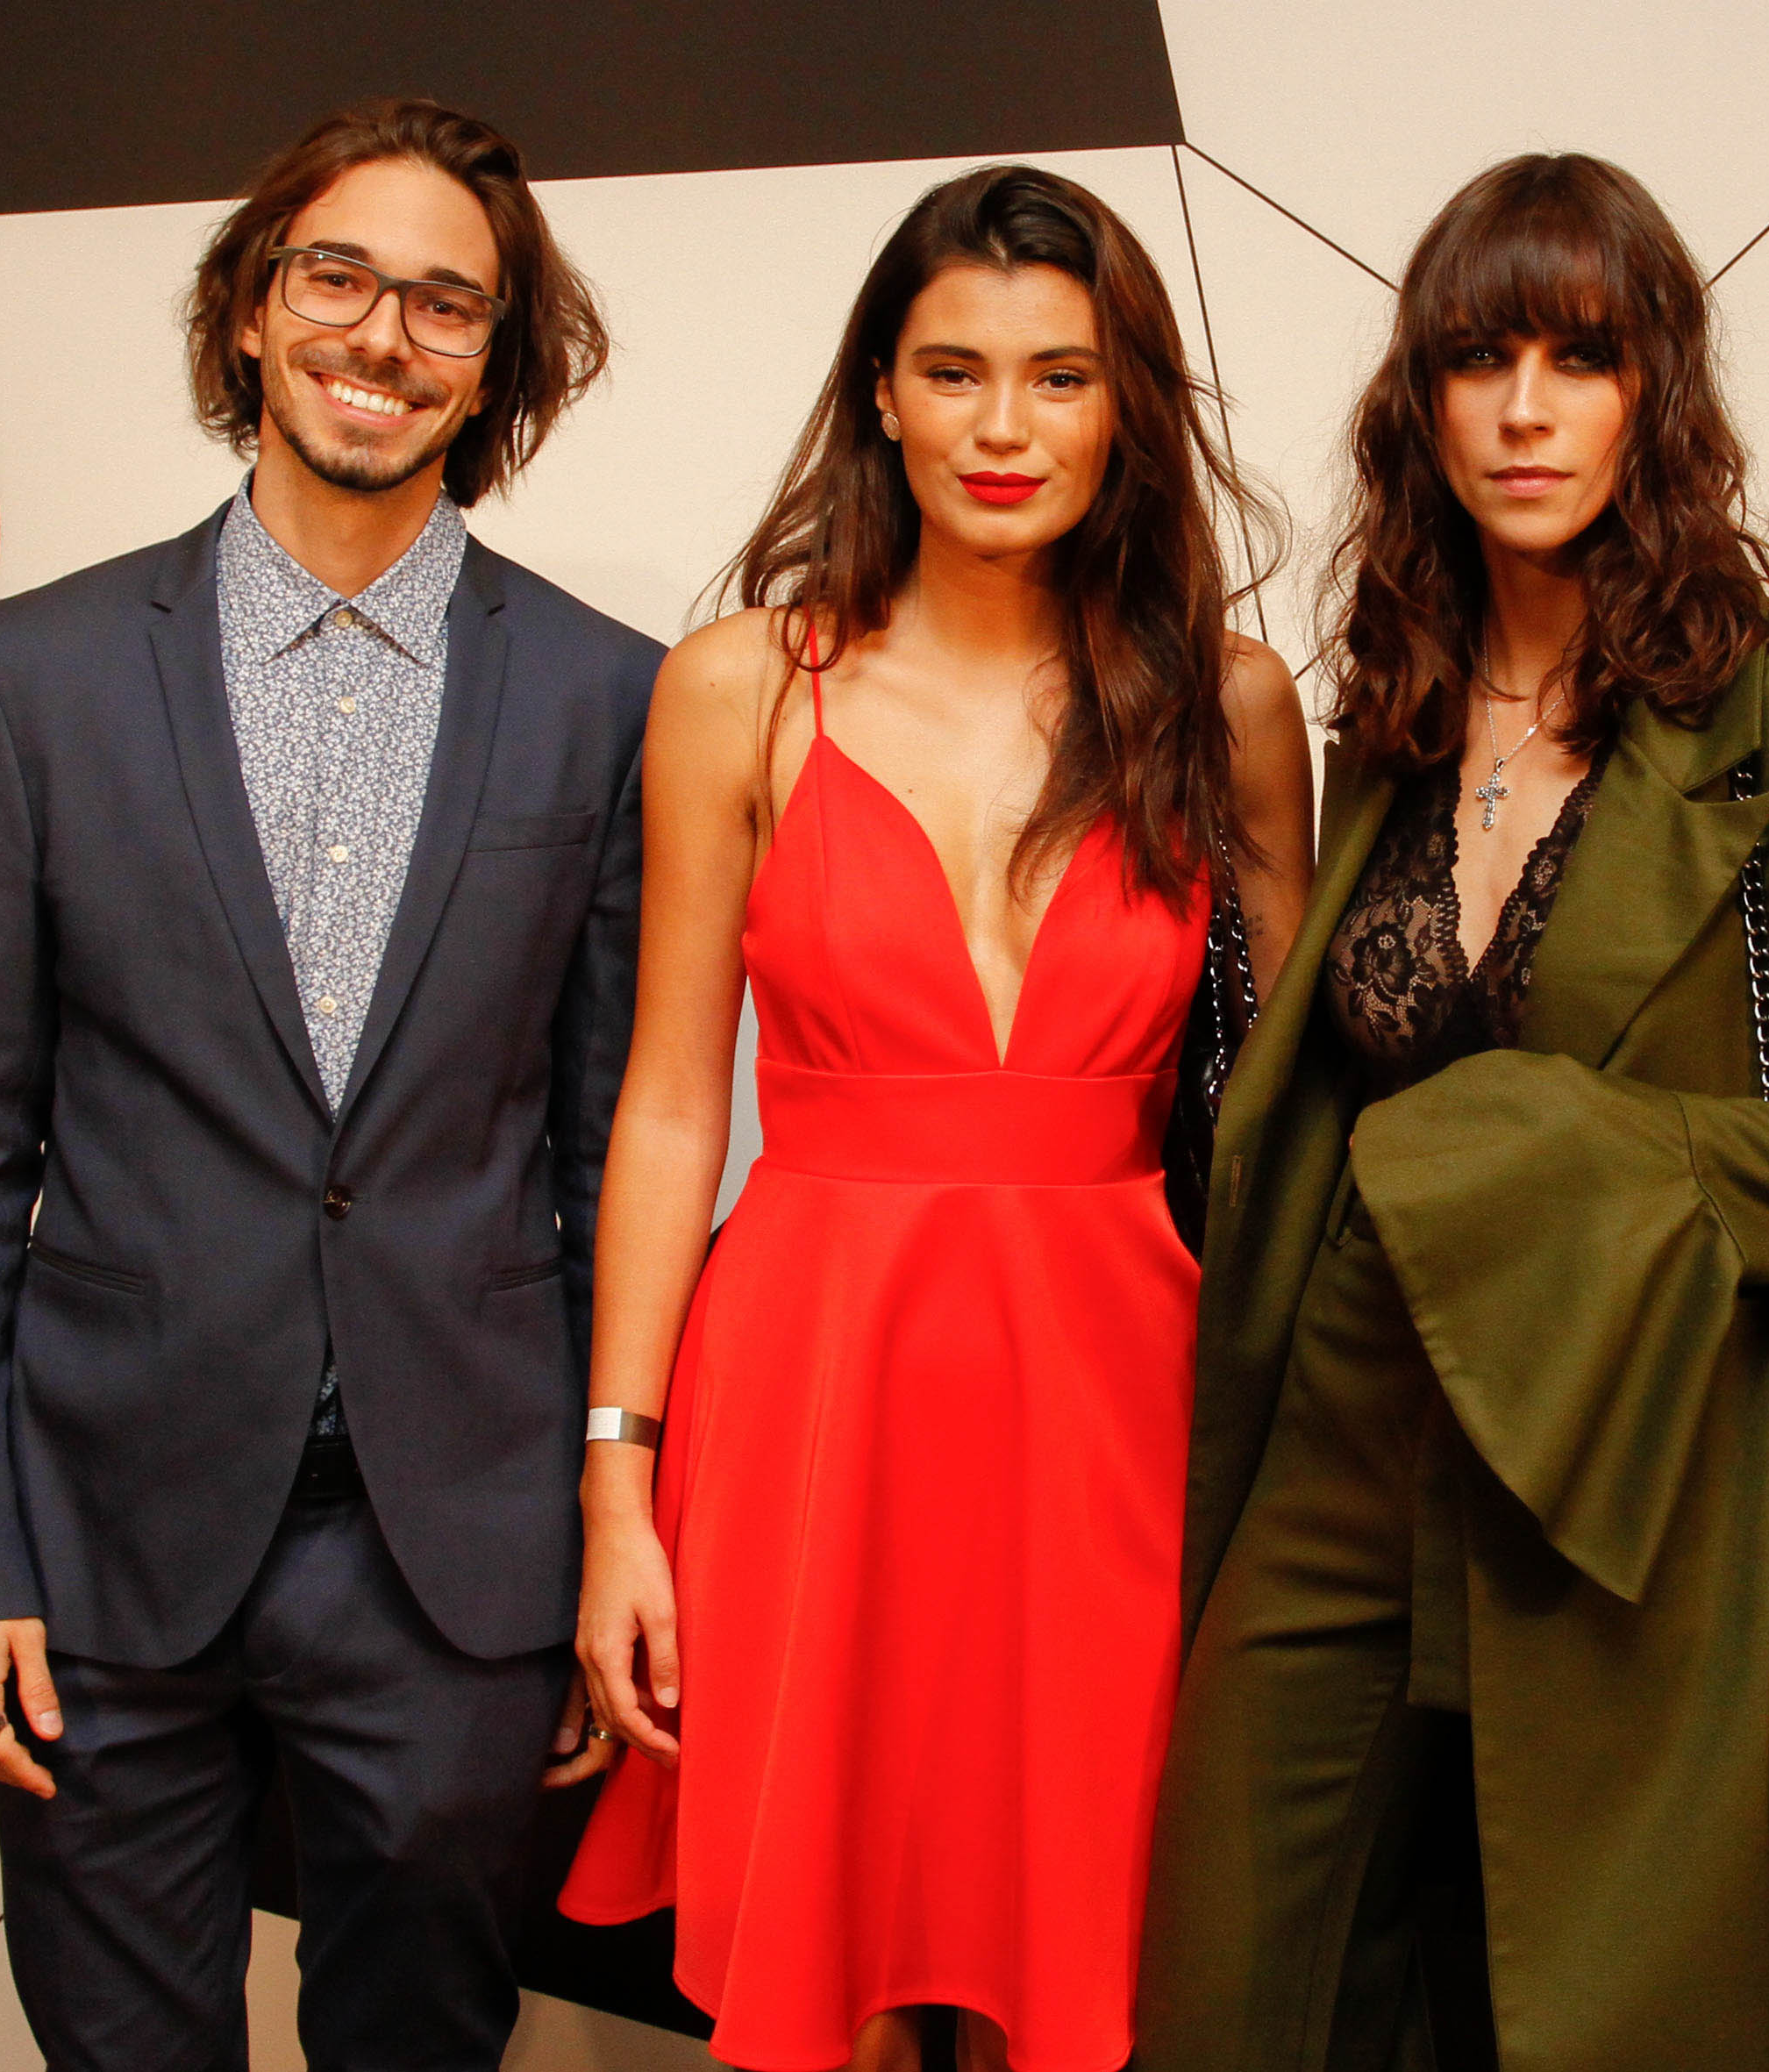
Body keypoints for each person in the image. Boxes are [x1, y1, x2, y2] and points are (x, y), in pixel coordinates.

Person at [1134, 154, 1769, 2072]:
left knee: (1592, 2015)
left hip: (1616, 1458)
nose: (1525, 411)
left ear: (1656, 394)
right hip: (1342, 1431)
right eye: (1479, 359)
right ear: (1422, 402)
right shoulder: (1391, 709)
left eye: (1581, 357)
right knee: (1227, 1990)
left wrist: (1599, 1150)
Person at [0, 97, 654, 2068]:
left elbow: (606, 1160)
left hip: (455, 1561)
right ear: (248, 306)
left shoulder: (606, 696)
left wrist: (600, 1535)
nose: (383, 335)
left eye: (447, 303)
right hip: (98, 1549)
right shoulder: (38, 674)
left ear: (496, 360)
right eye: (337, 276)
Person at [553, 164, 1313, 2072]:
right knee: (839, 1988)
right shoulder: (739, 686)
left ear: (1124, 405)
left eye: (1059, 377)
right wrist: (617, 1481)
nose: (1002, 426)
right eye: (954, 371)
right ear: (880, 395)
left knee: (1097, 1966)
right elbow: (670, 1106)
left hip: (1118, 1405)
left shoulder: (1226, 704)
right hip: (809, 1394)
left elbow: (1295, 1111)